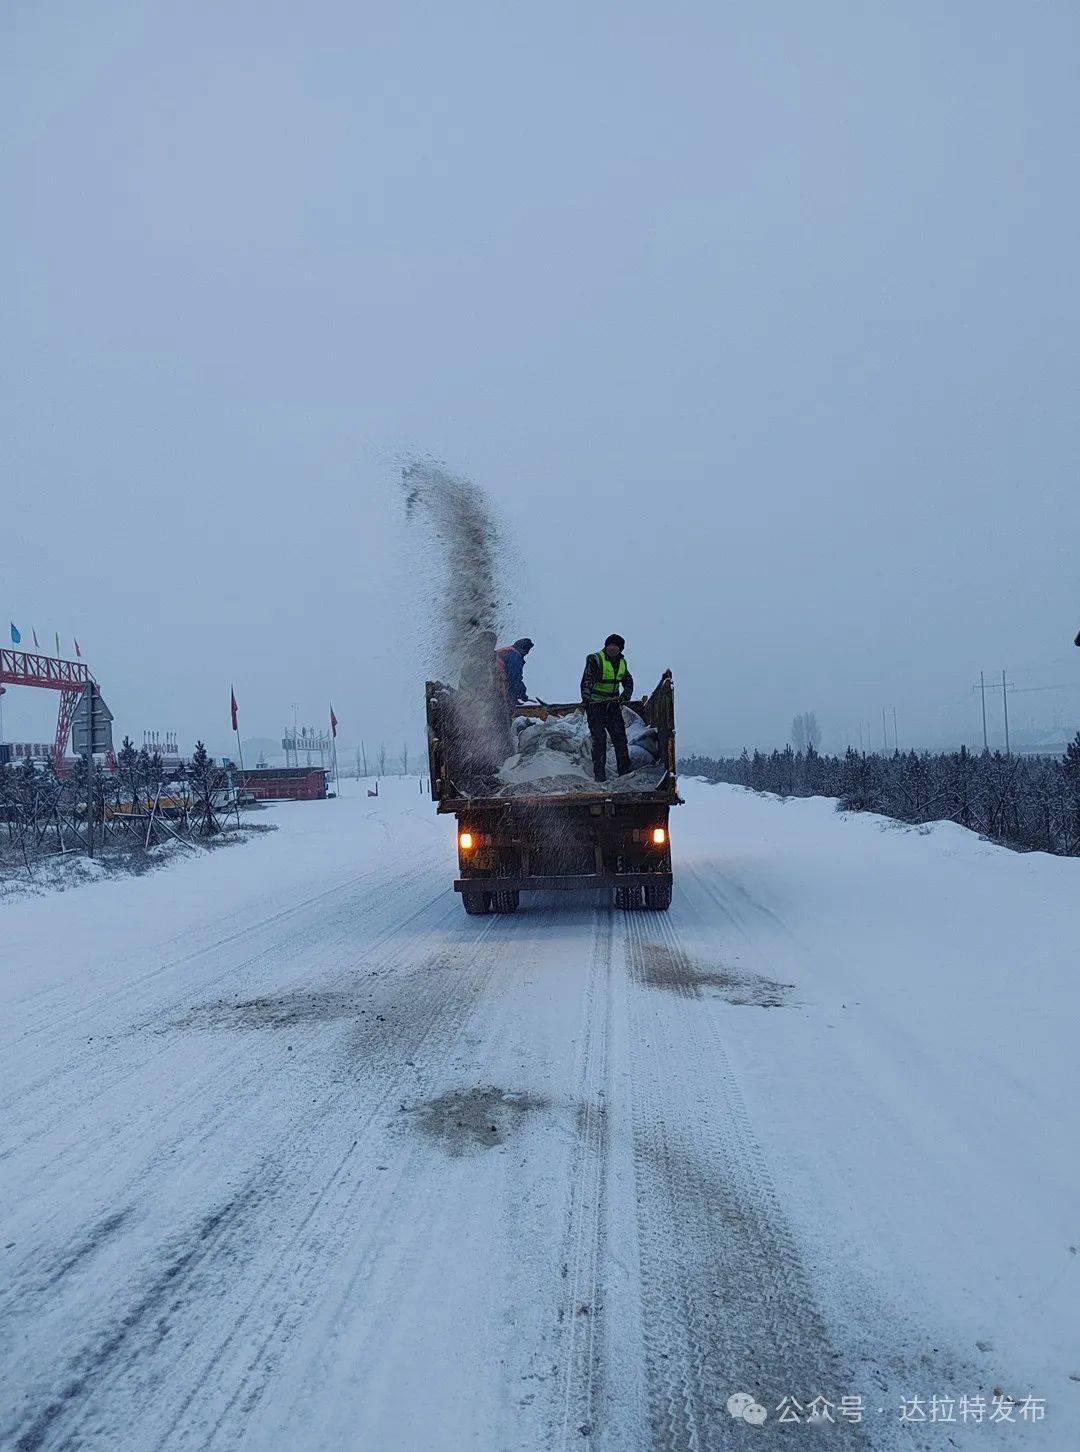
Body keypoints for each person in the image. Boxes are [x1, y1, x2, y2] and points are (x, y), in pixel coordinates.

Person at [581, 634, 635, 782]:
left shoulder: (622, 663)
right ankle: (600, 777)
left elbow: (628, 681)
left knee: (620, 738)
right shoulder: (595, 659)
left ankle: (624, 774)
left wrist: (626, 695)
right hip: (595, 706)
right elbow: (586, 681)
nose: (612, 648)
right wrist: (587, 699)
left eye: (616, 646)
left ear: (620, 648)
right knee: (599, 740)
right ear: (606, 646)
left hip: (612, 706)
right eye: (610, 645)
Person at [495, 637, 534, 706]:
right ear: (523, 648)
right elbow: (514, 679)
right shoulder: (515, 656)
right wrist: (522, 694)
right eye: (527, 650)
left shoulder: (505, 652)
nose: (527, 653)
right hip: (497, 686)